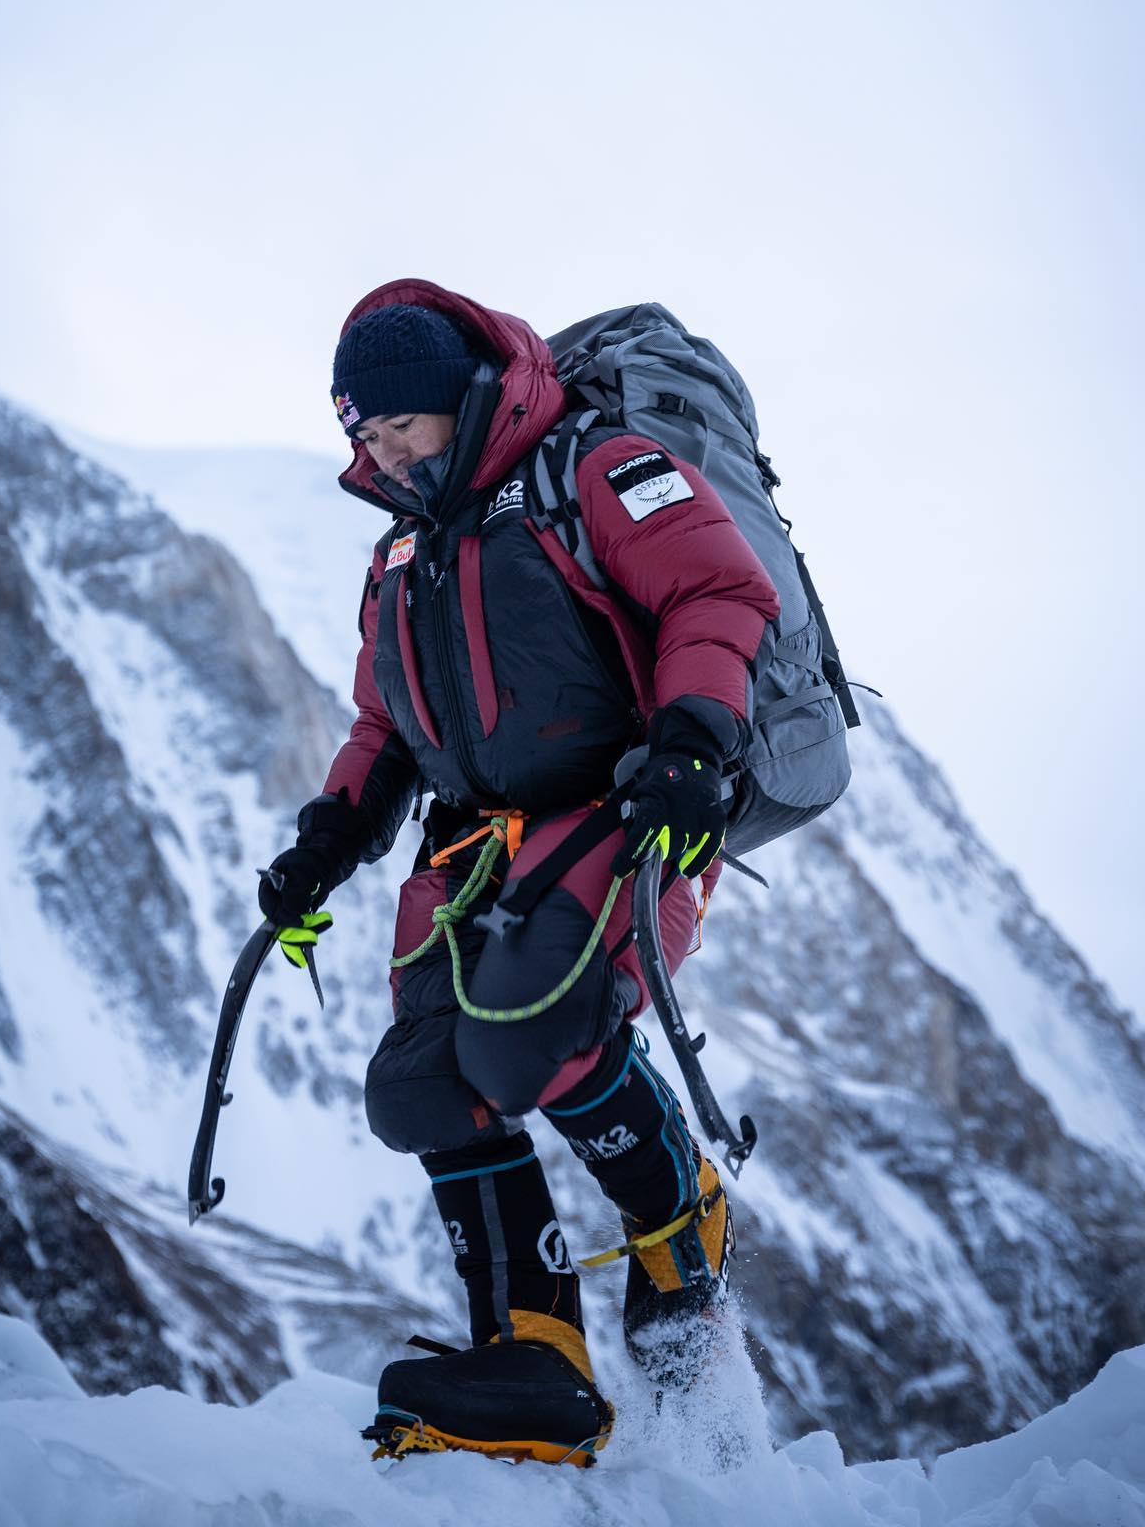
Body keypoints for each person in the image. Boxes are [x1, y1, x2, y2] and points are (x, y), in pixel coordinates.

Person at [258, 280, 780, 1466]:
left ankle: (679, 1224)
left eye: (404, 425)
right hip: (472, 849)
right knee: (419, 1089)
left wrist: (695, 740)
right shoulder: (402, 553)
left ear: (461, 396)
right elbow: (386, 724)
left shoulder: (595, 469)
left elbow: (715, 588)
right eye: (369, 437)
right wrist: (327, 838)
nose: (388, 453)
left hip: (624, 813)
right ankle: (533, 1359)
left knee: (524, 1033)